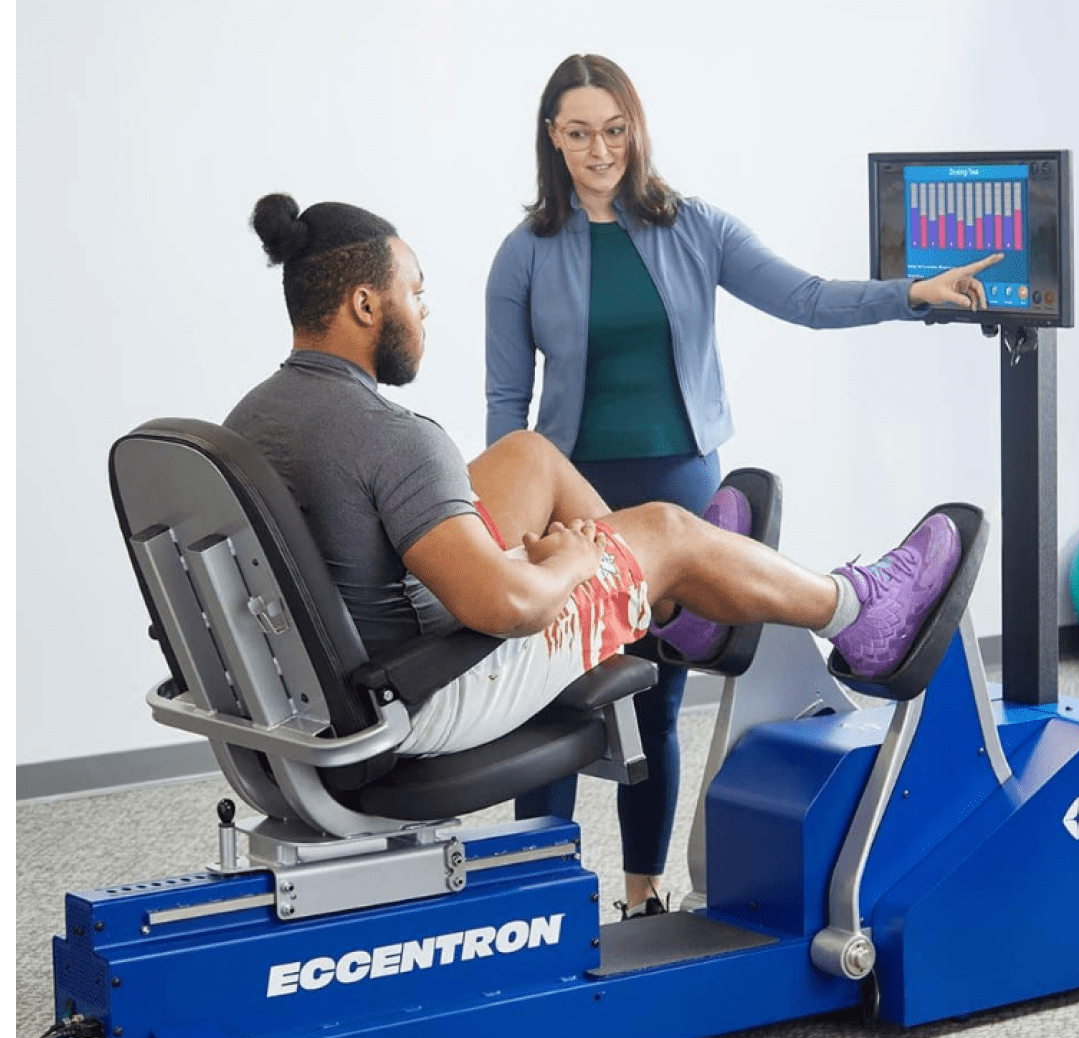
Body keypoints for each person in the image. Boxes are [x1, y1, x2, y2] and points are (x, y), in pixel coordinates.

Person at [227, 195, 965, 874]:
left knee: (529, 455)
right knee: (666, 530)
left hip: (337, 674)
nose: (423, 311)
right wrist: (572, 563)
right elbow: (506, 607)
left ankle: (679, 608)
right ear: (364, 304)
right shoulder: (391, 436)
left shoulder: (251, 419)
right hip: (423, 691)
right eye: (414, 292)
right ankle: (857, 612)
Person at [484, 52, 1001, 916]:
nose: (599, 150)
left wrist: (913, 293)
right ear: (552, 138)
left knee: (655, 697)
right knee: (555, 698)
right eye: (579, 133)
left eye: (614, 130)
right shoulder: (523, 254)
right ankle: (538, 897)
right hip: (572, 495)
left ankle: (642, 890)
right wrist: (508, 529)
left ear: (635, 129)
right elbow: (508, 405)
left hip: (683, 483)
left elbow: (806, 298)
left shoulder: (694, 226)